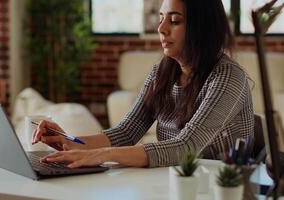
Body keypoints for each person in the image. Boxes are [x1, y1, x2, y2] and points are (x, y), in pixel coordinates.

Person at [32, 0, 254, 168]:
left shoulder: (228, 77)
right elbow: (125, 132)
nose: (162, 29)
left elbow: (186, 148)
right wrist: (69, 142)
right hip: (174, 180)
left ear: (202, 27)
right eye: (161, 19)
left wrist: (104, 154)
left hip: (222, 187)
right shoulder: (162, 72)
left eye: (174, 21)